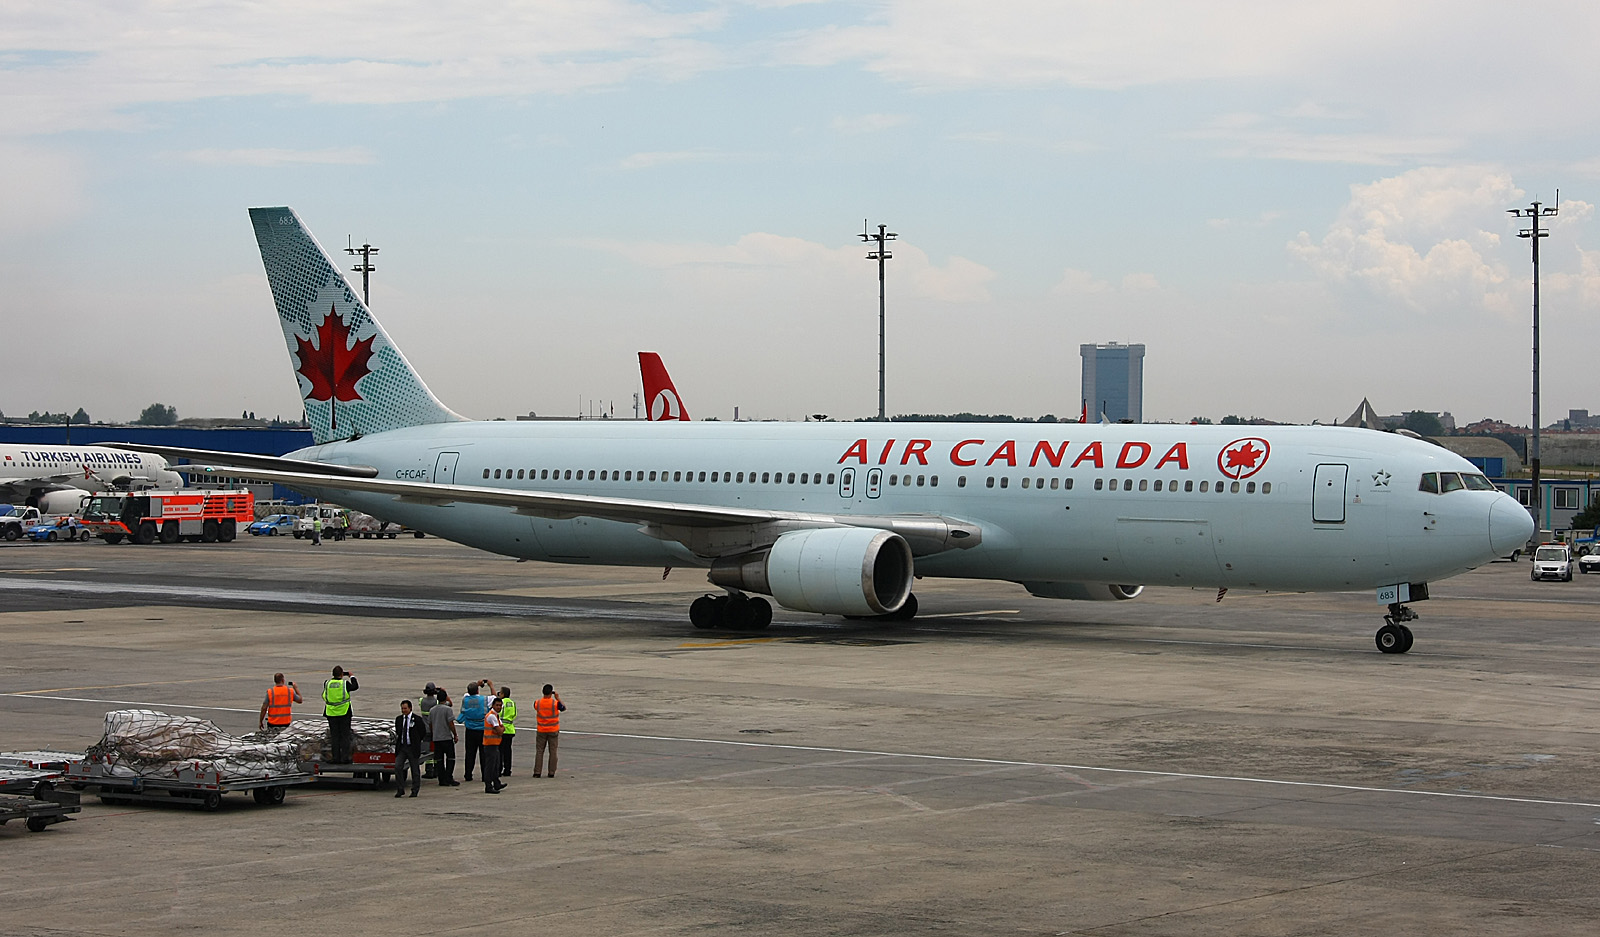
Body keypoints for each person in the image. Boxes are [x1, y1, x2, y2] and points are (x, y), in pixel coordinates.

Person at [322, 665, 359, 764]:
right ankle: (345, 757)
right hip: (344, 713)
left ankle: (335, 758)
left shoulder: (327, 683)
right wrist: (352, 676)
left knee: (335, 737)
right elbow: (355, 686)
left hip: (331, 713)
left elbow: (324, 695)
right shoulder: (344, 683)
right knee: (345, 736)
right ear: (342, 674)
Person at [394, 699, 427, 798]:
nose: (403, 710)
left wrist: (416, 742)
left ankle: (415, 790)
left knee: (415, 770)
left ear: (410, 708)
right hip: (402, 747)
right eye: (402, 708)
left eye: (405, 708)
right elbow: (398, 732)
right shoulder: (399, 719)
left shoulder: (417, 720)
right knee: (397, 766)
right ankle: (400, 789)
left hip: (412, 748)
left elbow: (422, 732)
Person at [455, 682, 487, 782]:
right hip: (482, 730)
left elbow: (467, 694)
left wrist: (476, 684)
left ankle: (468, 774)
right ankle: (484, 775)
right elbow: (494, 696)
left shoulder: (466, 700)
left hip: (470, 730)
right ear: (478, 691)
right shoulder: (484, 699)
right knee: (483, 754)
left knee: (470, 753)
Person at [532, 683, 565, 778]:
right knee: (553, 752)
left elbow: (535, 707)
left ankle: (537, 772)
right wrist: (558, 698)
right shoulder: (555, 703)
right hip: (553, 730)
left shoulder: (537, 702)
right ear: (551, 693)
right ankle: (551, 772)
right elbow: (563, 708)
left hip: (541, 729)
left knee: (539, 751)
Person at [429, 689, 459, 786]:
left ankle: (441, 779)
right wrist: (455, 734)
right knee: (451, 758)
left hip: (437, 738)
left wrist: (434, 733)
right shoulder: (447, 709)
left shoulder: (432, 710)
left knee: (439, 760)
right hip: (446, 737)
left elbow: (430, 724)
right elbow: (450, 723)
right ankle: (448, 777)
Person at [481, 697, 505, 793]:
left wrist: (500, 729)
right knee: (490, 766)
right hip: (490, 745)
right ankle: (488, 786)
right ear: (493, 705)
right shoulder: (491, 716)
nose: (499, 707)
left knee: (495, 765)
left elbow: (502, 728)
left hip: (495, 744)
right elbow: (500, 731)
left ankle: (496, 783)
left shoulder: (496, 716)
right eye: (497, 705)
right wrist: (500, 729)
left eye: (500, 705)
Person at [497, 686, 517, 777]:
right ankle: (507, 769)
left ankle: (499, 768)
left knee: (500, 751)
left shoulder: (501, 703)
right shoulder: (512, 703)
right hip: (510, 729)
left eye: (500, 693)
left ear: (503, 694)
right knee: (508, 751)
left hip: (502, 729)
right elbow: (514, 715)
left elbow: (498, 713)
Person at [419, 683, 438, 778]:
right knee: (435, 749)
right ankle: (436, 770)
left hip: (425, 729)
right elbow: (448, 703)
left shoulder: (421, 701)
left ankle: (429, 770)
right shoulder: (436, 702)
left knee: (427, 750)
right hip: (435, 729)